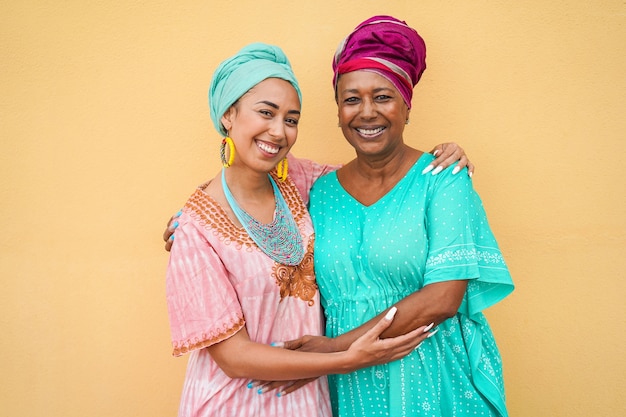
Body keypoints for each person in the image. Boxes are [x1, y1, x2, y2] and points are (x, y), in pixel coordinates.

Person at [165, 42, 436, 417]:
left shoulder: (302, 181)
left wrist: (437, 161)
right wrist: (345, 358)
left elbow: (380, 178)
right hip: (230, 405)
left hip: (307, 402)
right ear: (229, 114)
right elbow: (234, 358)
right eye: (266, 113)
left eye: (291, 120)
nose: (278, 132)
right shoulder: (196, 228)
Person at [275, 15, 515, 417]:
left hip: (433, 377)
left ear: (406, 105)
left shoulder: (442, 180)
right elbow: (250, 201)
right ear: (337, 111)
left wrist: (336, 348)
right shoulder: (318, 191)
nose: (366, 112)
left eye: (382, 97)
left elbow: (442, 298)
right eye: (351, 99)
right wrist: (193, 223)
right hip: (350, 384)